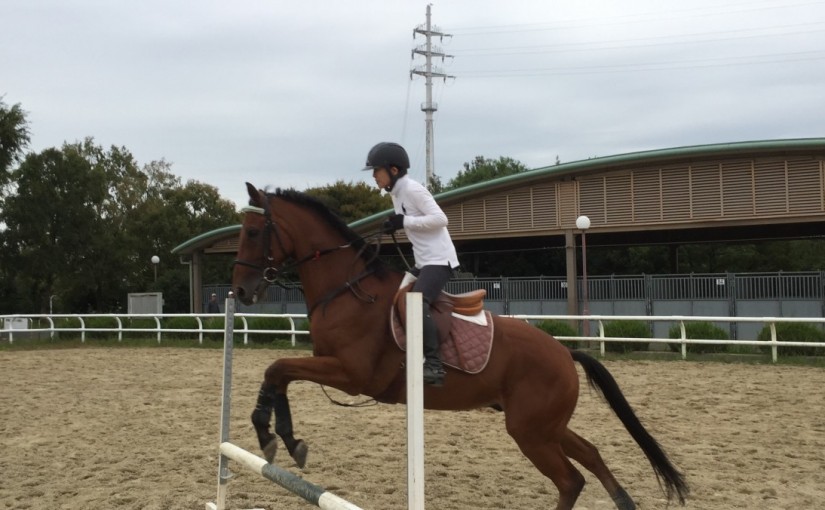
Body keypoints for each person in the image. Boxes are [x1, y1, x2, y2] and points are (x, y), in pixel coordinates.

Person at [362, 142, 459, 387]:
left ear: (393, 170)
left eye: (377, 170)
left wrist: (404, 222)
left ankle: (435, 365)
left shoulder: (412, 189)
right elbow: (409, 221)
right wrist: (395, 223)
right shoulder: (397, 193)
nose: (373, 176)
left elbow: (441, 219)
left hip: (439, 260)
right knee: (394, 298)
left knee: (416, 303)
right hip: (424, 262)